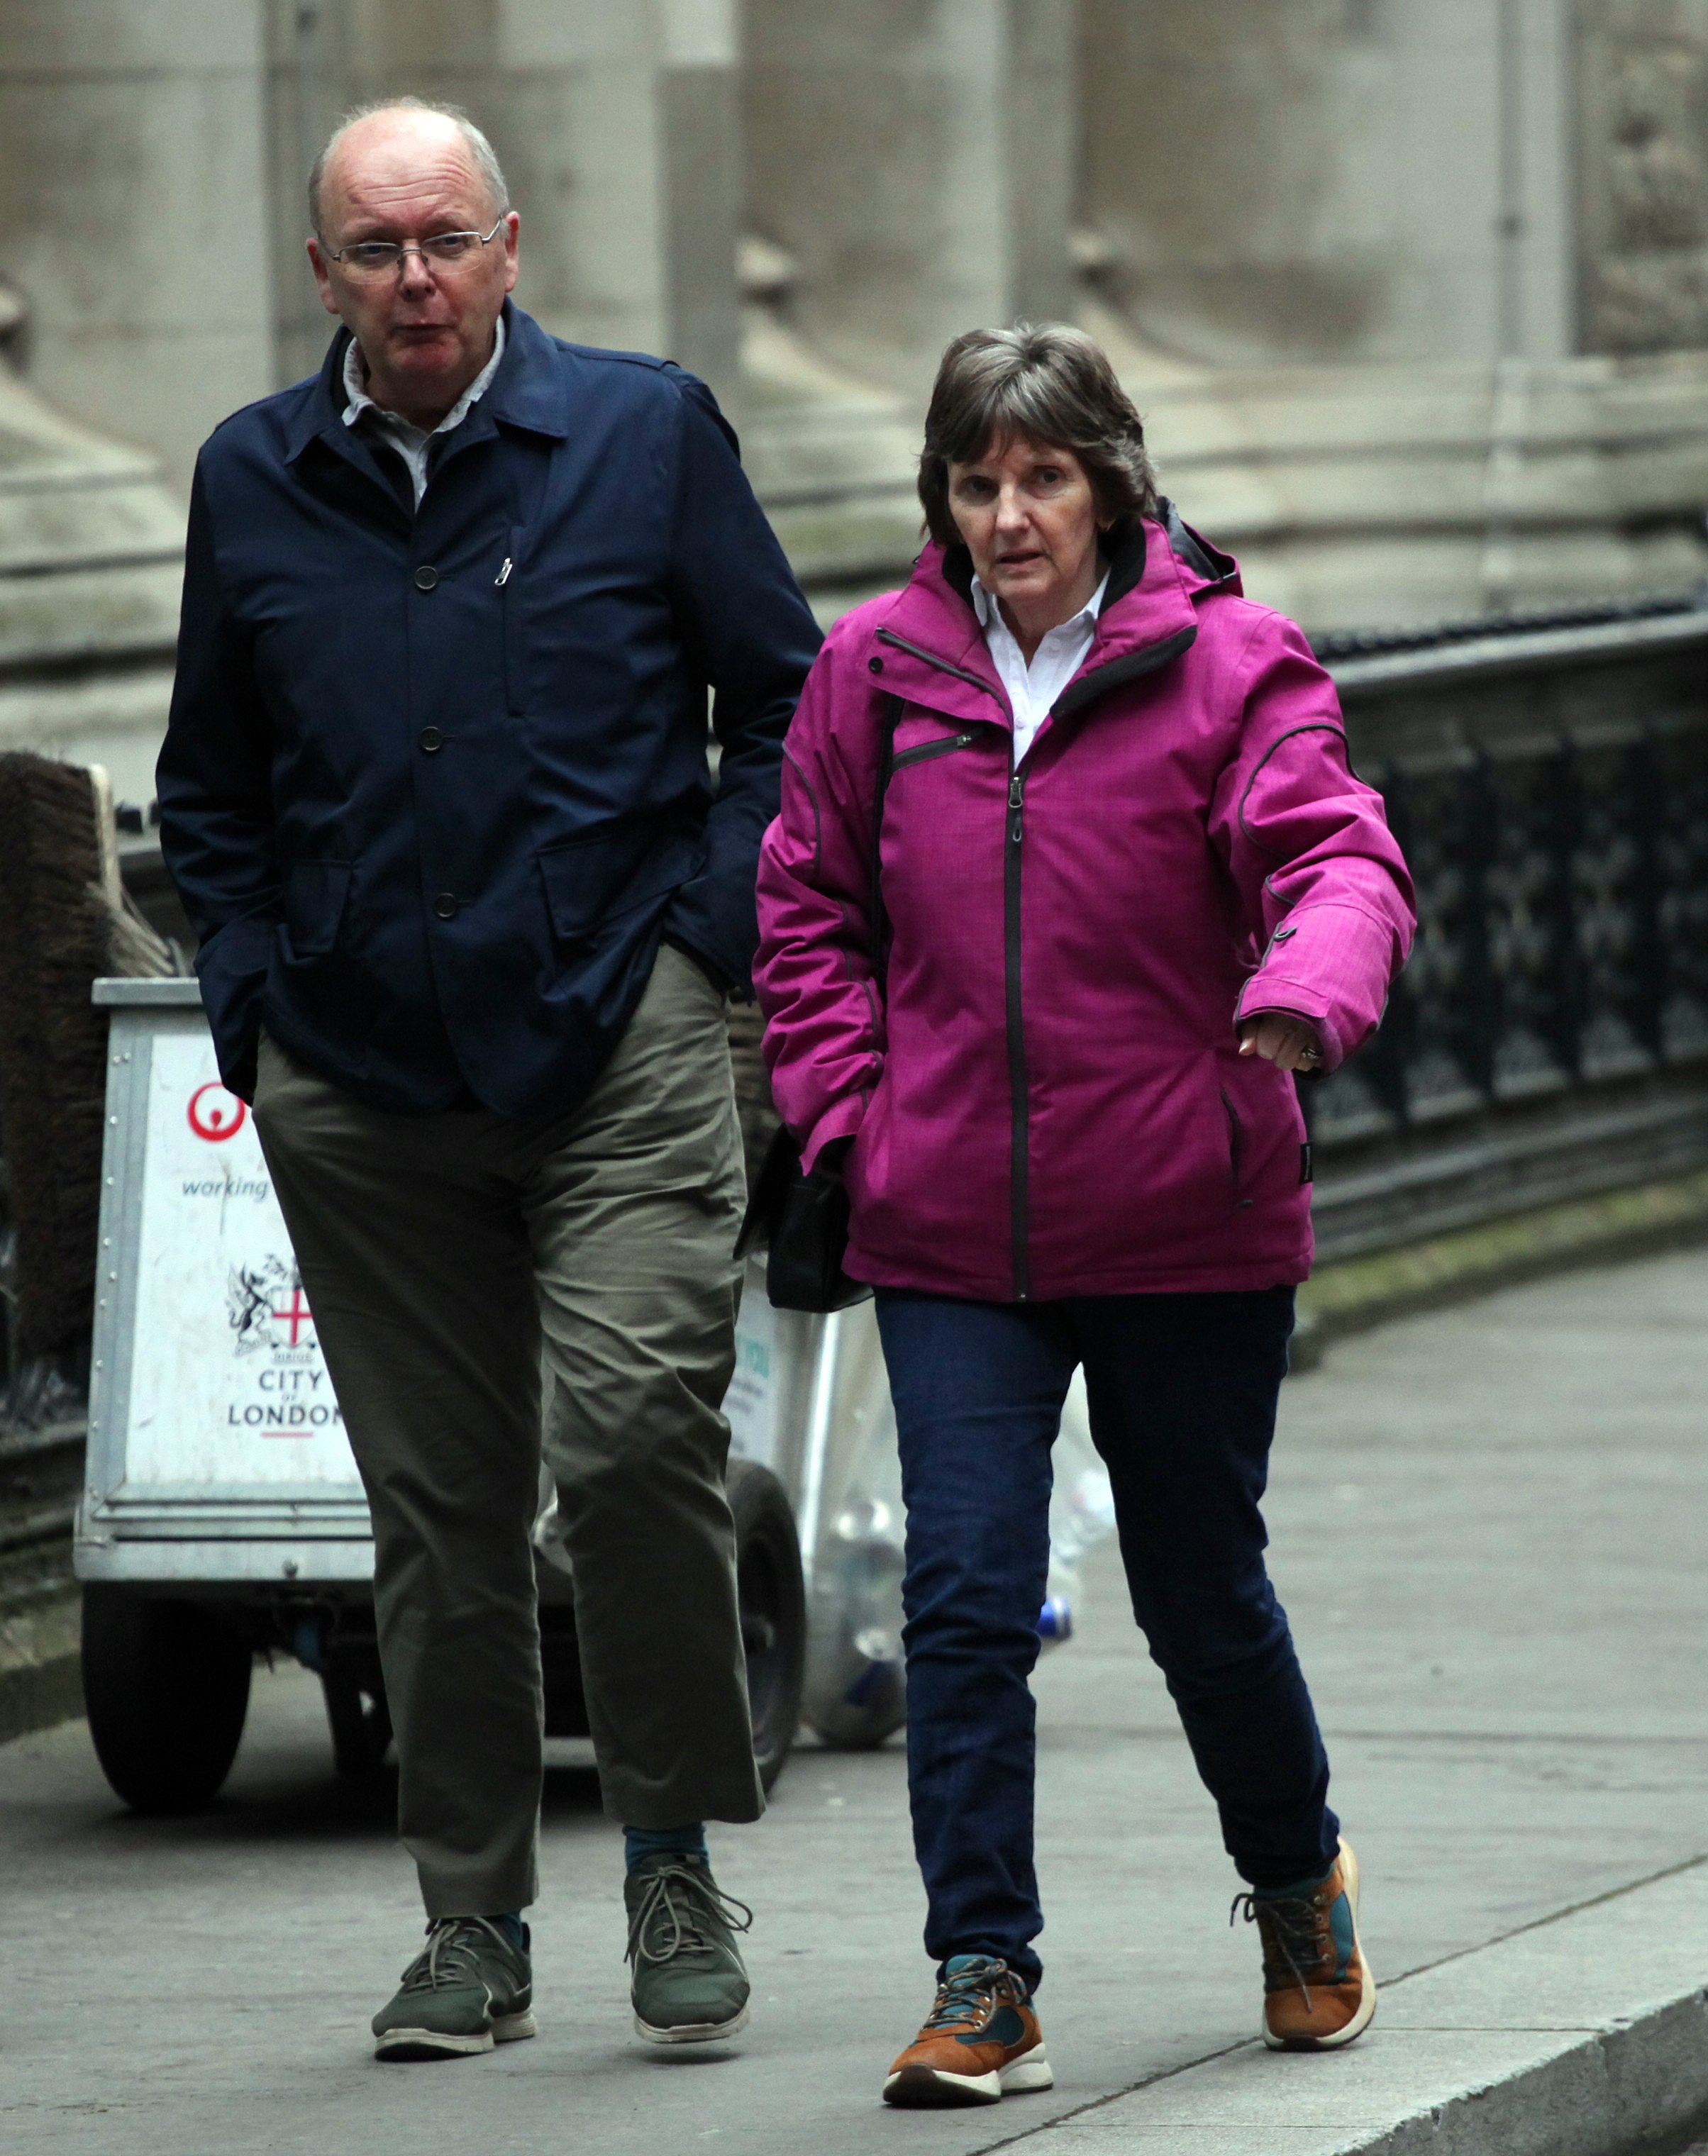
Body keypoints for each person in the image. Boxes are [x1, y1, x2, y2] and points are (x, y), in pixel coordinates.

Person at [157, 98, 821, 2062]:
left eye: (446, 239)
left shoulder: (645, 435)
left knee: (627, 1449)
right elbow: (210, 783)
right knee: (437, 1519)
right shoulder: (253, 479)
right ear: (324, 275)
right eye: (377, 248)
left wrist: (703, 945)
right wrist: (253, 1008)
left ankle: (674, 1850)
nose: (417, 279)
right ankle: (472, 1928)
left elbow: (786, 704)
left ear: (511, 246)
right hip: (361, 1084)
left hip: (614, 1044)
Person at [754, 323, 1415, 2108]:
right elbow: (806, 903)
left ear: (1111, 481)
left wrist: (1302, 993)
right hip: (950, 1218)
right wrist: (850, 1108)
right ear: (941, 497)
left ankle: (1298, 1884)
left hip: (1187, 1212)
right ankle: (983, 1973)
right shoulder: (877, 674)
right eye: (975, 481)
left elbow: (1336, 853)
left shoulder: (1229, 664)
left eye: (1041, 476)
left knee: (1203, 1590)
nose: (1007, 514)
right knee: (963, 1597)